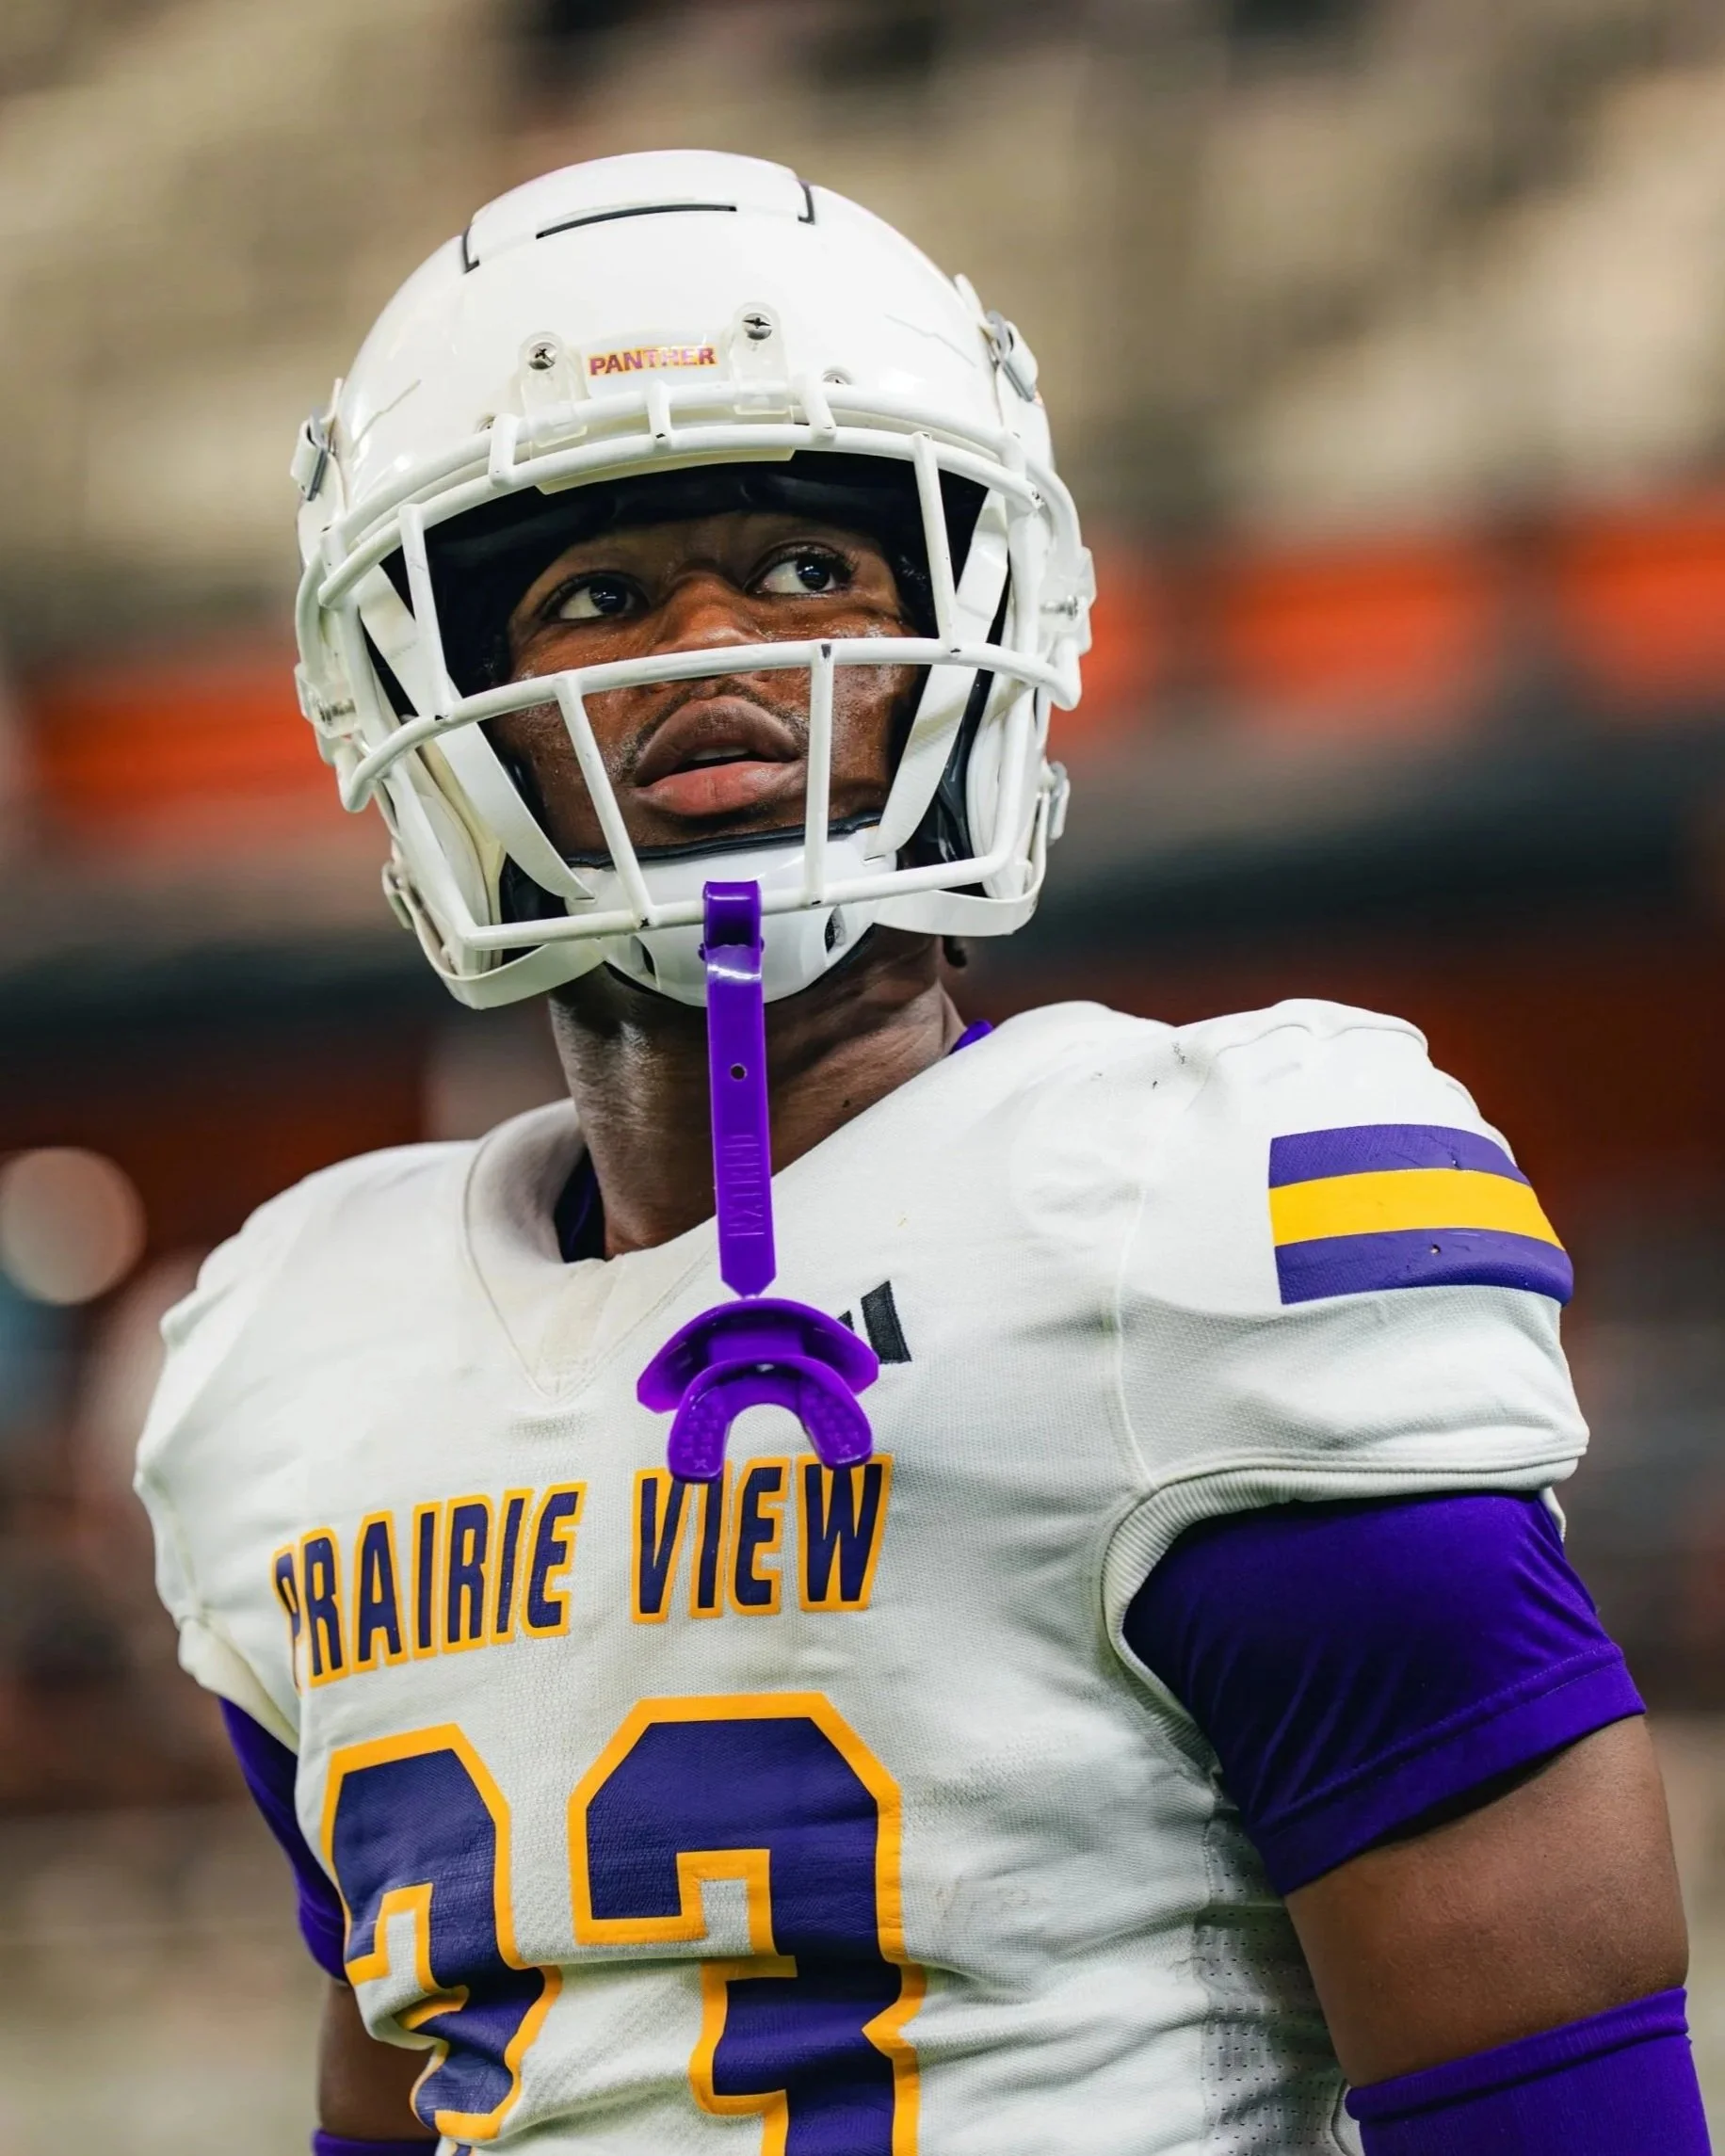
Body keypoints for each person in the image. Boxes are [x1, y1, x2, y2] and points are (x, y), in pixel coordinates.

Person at [137, 150, 1708, 2155]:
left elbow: (1549, 2096)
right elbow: (419, 2067)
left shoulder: (1177, 1215)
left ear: (977, 624)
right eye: (595, 596)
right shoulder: (291, 1354)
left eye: (806, 572)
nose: (704, 649)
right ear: (433, 705)